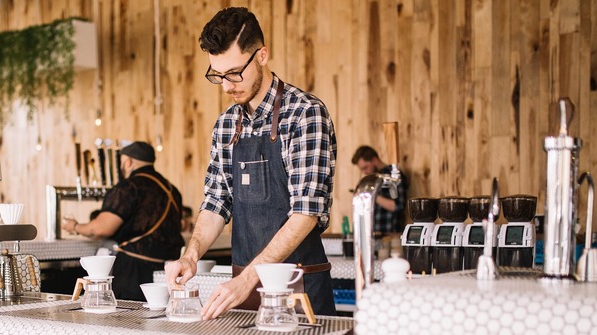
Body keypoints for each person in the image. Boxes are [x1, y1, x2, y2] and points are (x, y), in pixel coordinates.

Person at [164, 7, 338, 319]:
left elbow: (306, 213)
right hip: (243, 291)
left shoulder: (305, 114)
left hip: (298, 290)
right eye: (217, 76)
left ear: (261, 55)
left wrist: (248, 278)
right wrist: (190, 256)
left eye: (234, 73)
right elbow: (217, 201)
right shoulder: (227, 124)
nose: (227, 86)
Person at [62, 141, 184, 301]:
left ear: (128, 162)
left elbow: (99, 229)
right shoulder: (171, 189)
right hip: (168, 271)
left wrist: (75, 226)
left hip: (135, 272)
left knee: (129, 320)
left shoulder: (130, 187)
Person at [352, 145, 409, 232]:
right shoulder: (370, 179)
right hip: (371, 235)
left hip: (391, 234)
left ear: (374, 160)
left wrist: (371, 195)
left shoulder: (393, 176)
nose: (364, 172)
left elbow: (398, 206)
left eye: (365, 167)